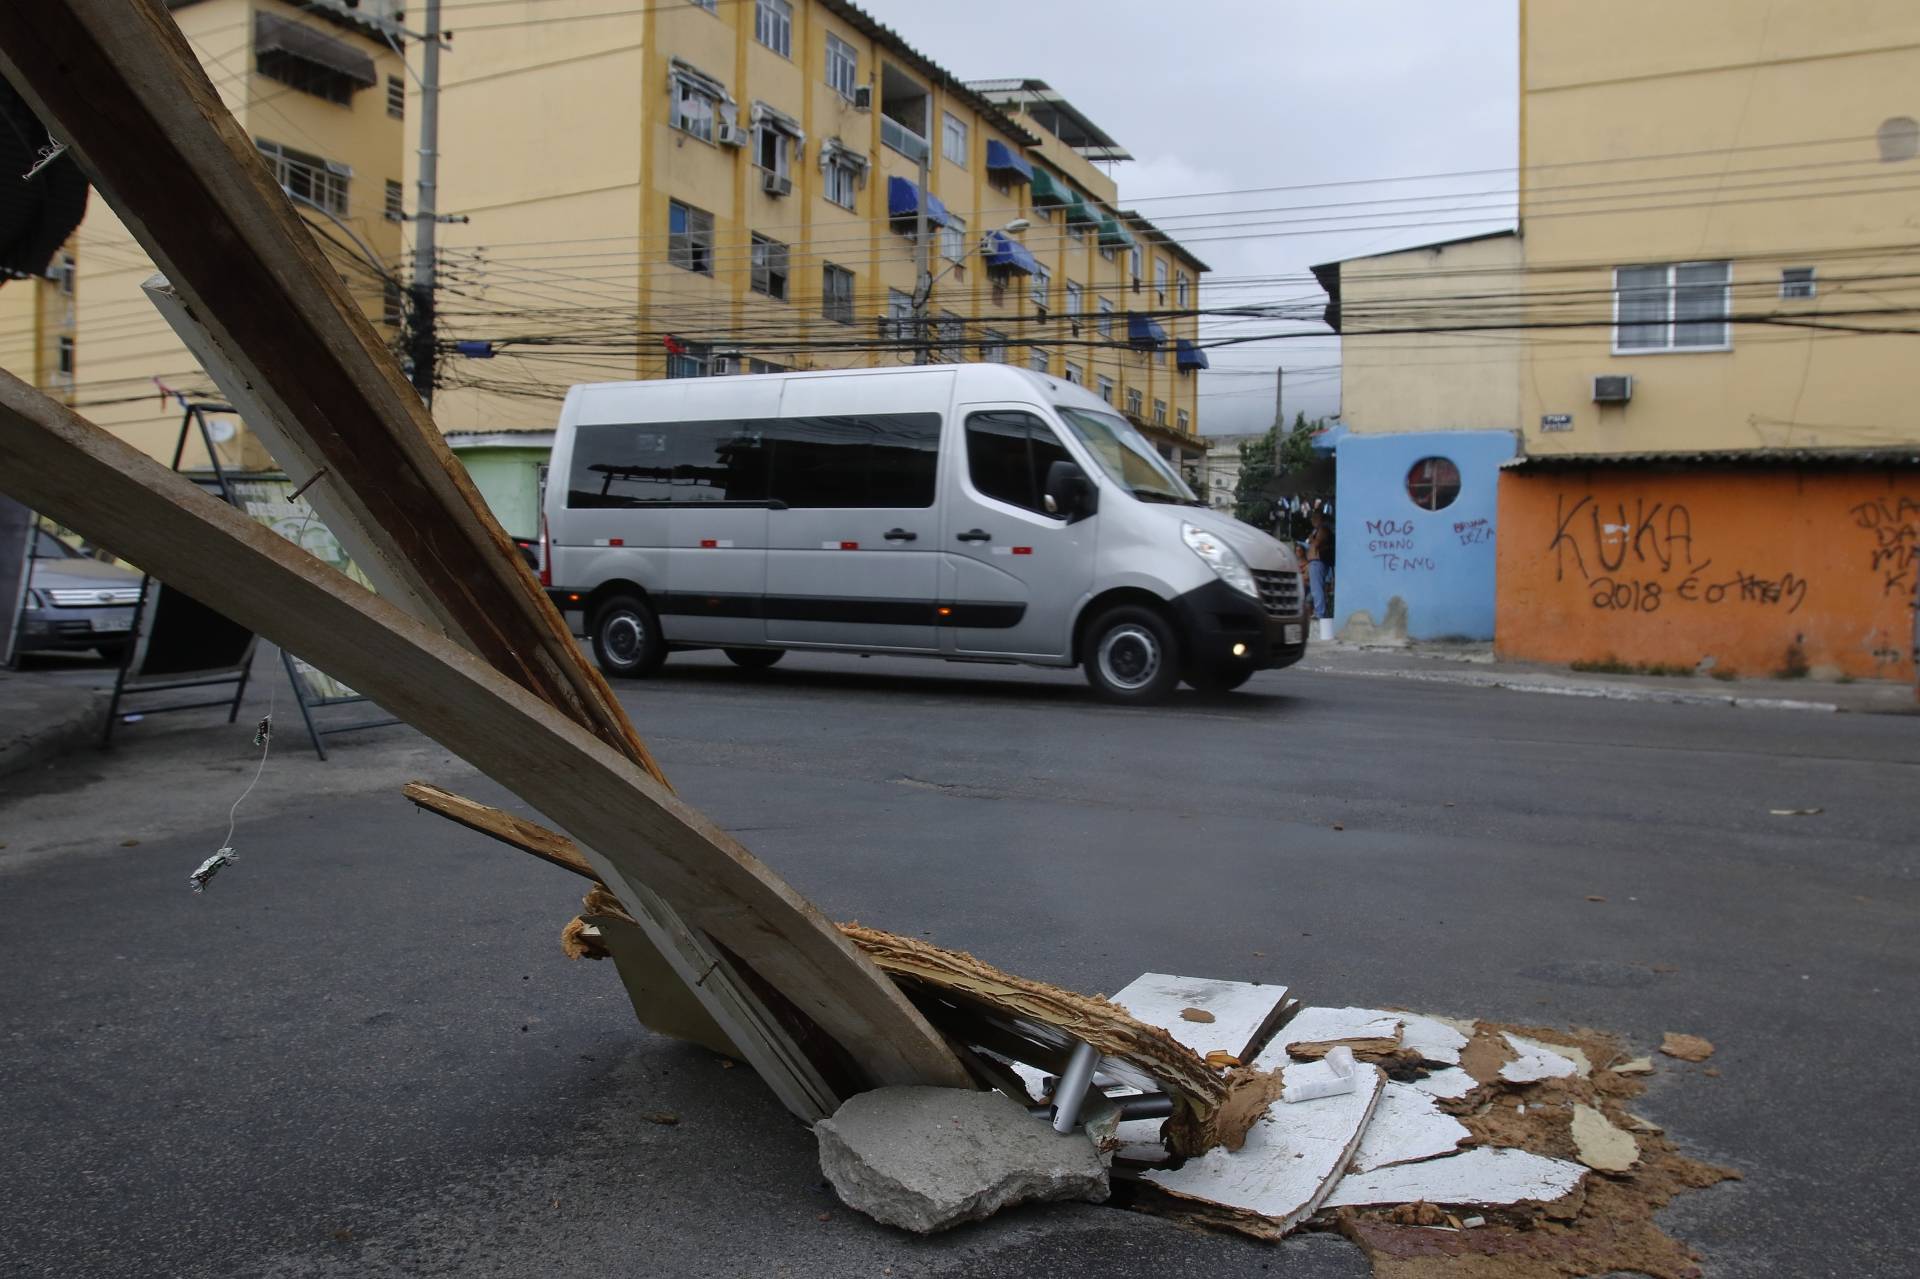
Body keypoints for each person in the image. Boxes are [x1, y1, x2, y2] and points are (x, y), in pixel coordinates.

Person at [1305, 507, 1332, 619]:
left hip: (1318, 561)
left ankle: (1320, 612)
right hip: (1313, 562)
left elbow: (1316, 543)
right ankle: (1318, 610)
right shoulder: (1316, 530)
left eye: (1315, 518)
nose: (1313, 520)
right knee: (1315, 589)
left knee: (1317, 589)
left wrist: (1311, 539)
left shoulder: (1322, 530)